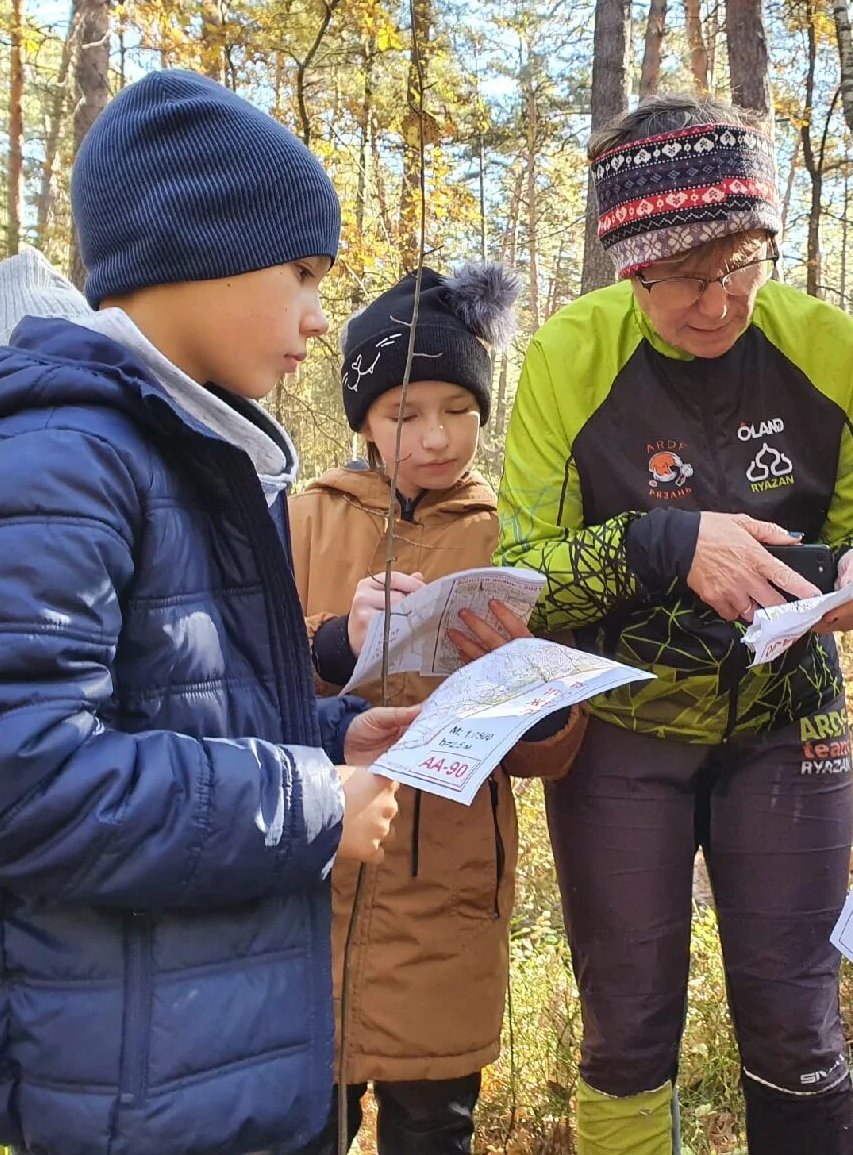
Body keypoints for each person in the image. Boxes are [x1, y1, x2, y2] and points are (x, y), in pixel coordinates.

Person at [0, 71, 415, 1155]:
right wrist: (310, 805)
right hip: (109, 1074)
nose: (318, 318)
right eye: (301, 273)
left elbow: (168, 713)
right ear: (195, 255)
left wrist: (333, 738)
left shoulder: (176, 455)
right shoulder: (58, 461)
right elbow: (11, 778)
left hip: (182, 1052)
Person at [494, 94, 853, 1155]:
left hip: (789, 724)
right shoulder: (569, 358)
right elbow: (520, 578)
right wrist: (666, 544)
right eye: (685, 276)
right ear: (628, 266)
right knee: (628, 1024)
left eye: (743, 265)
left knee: (795, 1016)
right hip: (620, 736)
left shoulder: (827, 347)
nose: (719, 301)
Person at [289, 263, 587, 1155]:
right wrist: (338, 639)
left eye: (458, 408)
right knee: (302, 1124)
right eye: (403, 414)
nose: (434, 438)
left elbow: (556, 753)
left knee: (434, 1129)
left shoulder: (515, 533)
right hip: (312, 880)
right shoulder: (303, 518)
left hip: (450, 879)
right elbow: (237, 681)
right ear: (364, 423)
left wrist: (528, 696)